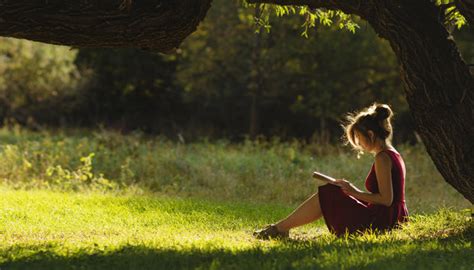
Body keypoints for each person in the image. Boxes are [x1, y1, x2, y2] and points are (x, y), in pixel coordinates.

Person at [253, 103, 409, 239]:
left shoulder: (382, 158)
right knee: (334, 189)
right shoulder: (392, 154)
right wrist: (349, 191)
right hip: (392, 217)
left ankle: (279, 229)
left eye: (359, 138)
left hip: (382, 221)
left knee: (329, 192)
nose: (359, 144)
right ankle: (281, 228)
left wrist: (353, 192)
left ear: (370, 134)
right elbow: (388, 199)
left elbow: (386, 199)